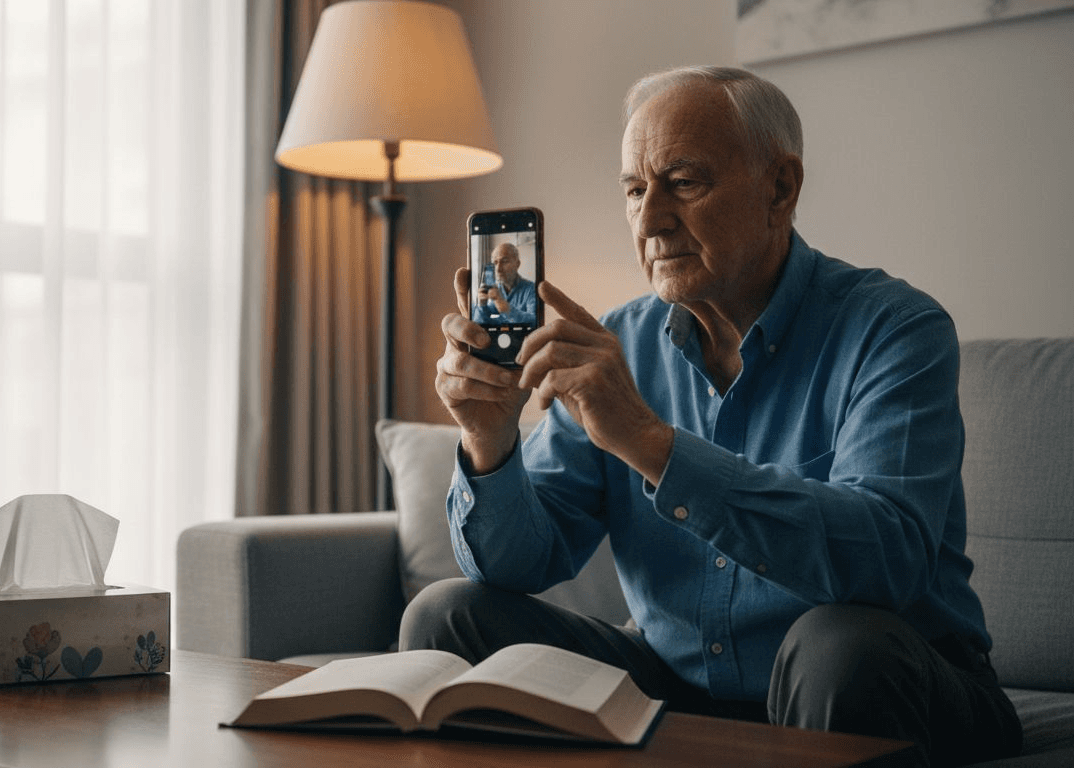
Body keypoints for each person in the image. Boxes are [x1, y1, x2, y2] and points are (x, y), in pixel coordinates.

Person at [406, 65, 1021, 767]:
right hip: (674, 683)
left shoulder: (895, 330)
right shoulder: (619, 344)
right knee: (447, 616)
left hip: (892, 677)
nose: (649, 219)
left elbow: (883, 564)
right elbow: (522, 561)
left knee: (840, 645)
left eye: (684, 183)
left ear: (780, 188)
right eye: (635, 191)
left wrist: (650, 443)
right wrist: (489, 444)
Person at [474, 242, 537, 325]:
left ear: (517, 264)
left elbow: (535, 321)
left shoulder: (531, 289)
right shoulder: (496, 289)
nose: (498, 269)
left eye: (504, 261)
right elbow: (479, 324)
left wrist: (506, 309)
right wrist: (482, 305)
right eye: (495, 263)